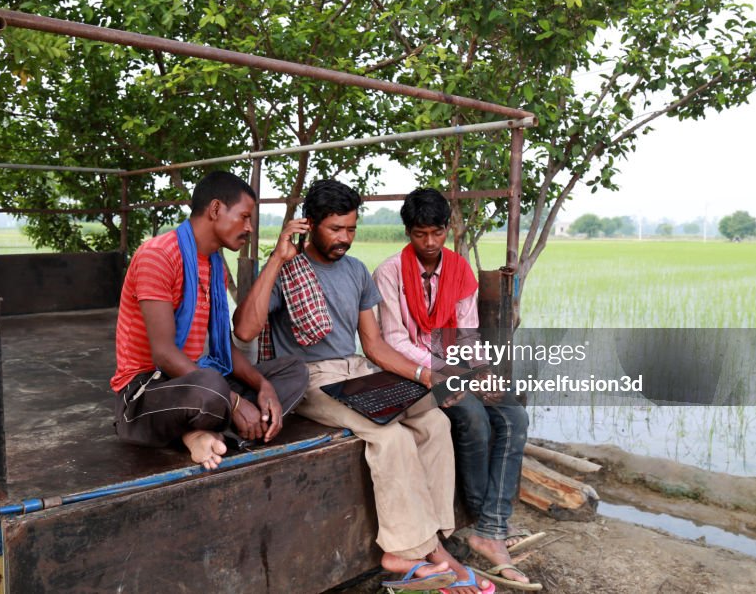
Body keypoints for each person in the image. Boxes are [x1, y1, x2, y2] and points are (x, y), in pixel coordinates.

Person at [233, 180, 493, 594]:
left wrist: (428, 377)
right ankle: (411, 552)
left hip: (355, 370)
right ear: (310, 225)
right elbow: (244, 328)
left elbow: (373, 345)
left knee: (435, 423)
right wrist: (276, 260)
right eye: (335, 229)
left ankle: (435, 538)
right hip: (311, 377)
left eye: (351, 229)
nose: (344, 239)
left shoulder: (355, 272)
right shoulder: (287, 270)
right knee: (389, 438)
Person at [372, 188, 541, 591]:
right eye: (420, 234)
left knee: (514, 413)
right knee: (471, 417)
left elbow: (466, 331)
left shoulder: (459, 270)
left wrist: (481, 369)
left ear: (448, 229)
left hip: (455, 366)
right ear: (408, 233)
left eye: (437, 233)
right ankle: (488, 528)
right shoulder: (389, 272)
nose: (430, 243)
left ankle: (490, 527)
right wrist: (446, 371)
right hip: (412, 373)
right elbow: (394, 340)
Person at [111, 170, 308, 471]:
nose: (249, 228)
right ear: (215, 209)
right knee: (212, 387)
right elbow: (163, 354)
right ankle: (211, 431)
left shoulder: (215, 264)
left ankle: (205, 434)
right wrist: (236, 401)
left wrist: (263, 385)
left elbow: (225, 348)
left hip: (198, 383)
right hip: (147, 392)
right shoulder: (158, 255)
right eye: (244, 217)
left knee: (294, 371)